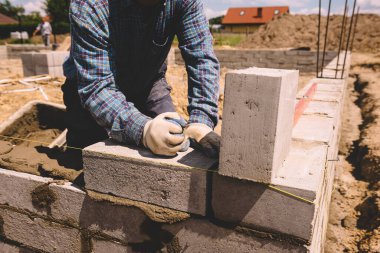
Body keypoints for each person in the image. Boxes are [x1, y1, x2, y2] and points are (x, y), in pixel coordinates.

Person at [62, 0, 220, 157]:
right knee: (85, 160)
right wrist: (143, 130)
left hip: (149, 84)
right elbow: (97, 85)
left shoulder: (185, 2)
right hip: (91, 89)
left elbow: (202, 60)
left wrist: (201, 119)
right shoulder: (90, 5)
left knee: (174, 139)